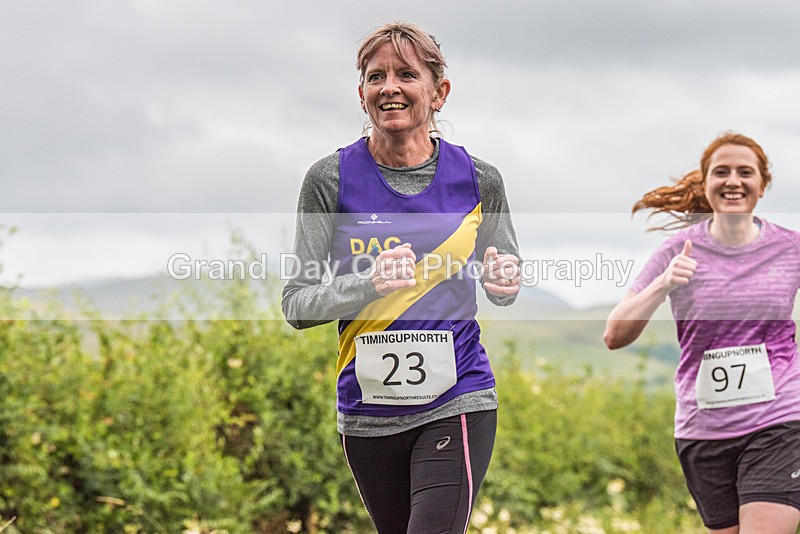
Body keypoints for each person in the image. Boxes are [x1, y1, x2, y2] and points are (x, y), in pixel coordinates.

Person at [281, 21, 520, 533]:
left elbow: (504, 280)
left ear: (439, 92)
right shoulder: (330, 179)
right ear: (362, 94)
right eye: (375, 76)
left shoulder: (480, 180)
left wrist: (503, 281)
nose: (389, 86)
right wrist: (368, 282)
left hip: (458, 396)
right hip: (367, 411)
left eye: (406, 74)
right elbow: (296, 305)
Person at [604, 132, 800, 533]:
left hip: (780, 421)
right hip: (704, 431)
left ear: (762, 184)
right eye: (721, 172)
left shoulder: (791, 248)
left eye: (745, 172)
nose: (733, 181)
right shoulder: (676, 251)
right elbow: (614, 334)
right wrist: (663, 285)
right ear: (706, 183)